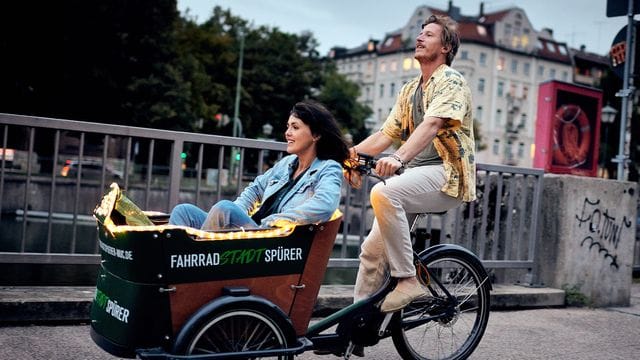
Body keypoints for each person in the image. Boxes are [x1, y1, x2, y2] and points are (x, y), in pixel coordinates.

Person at [351, 14, 476, 313]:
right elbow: (386, 133)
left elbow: (432, 124)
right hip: (419, 175)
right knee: (371, 253)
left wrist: (397, 158)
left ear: (445, 47)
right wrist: (348, 155)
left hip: (449, 175)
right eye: (420, 33)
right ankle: (354, 329)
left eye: (429, 35)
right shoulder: (410, 90)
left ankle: (408, 280)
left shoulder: (451, 81)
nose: (420, 38)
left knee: (384, 193)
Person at [168, 100, 353, 230]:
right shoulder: (287, 163)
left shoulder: (329, 168)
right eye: (288, 126)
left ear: (316, 135)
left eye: (295, 128)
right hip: (255, 230)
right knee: (184, 211)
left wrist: (276, 221)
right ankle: (173, 271)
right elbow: (255, 189)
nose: (287, 133)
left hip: (273, 241)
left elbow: (325, 205)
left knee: (224, 208)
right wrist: (236, 213)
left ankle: (194, 270)